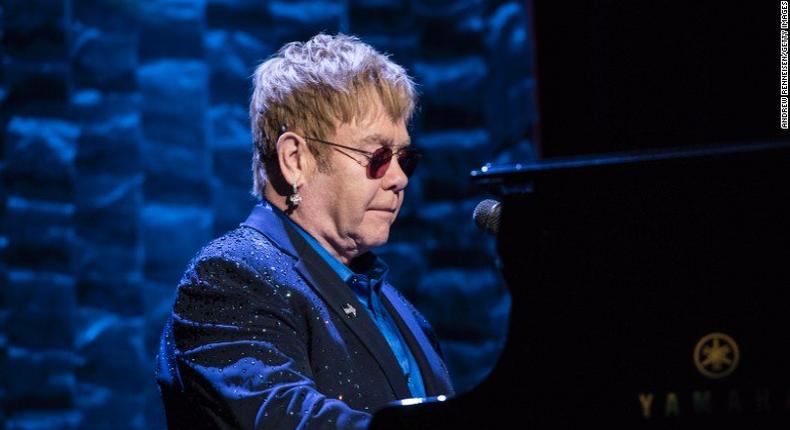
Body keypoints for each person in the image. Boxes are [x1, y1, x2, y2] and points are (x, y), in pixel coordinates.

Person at [155, 33, 455, 429]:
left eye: (405, 158)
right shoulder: (230, 277)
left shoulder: (399, 308)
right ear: (296, 159)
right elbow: (284, 418)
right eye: (378, 156)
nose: (399, 178)